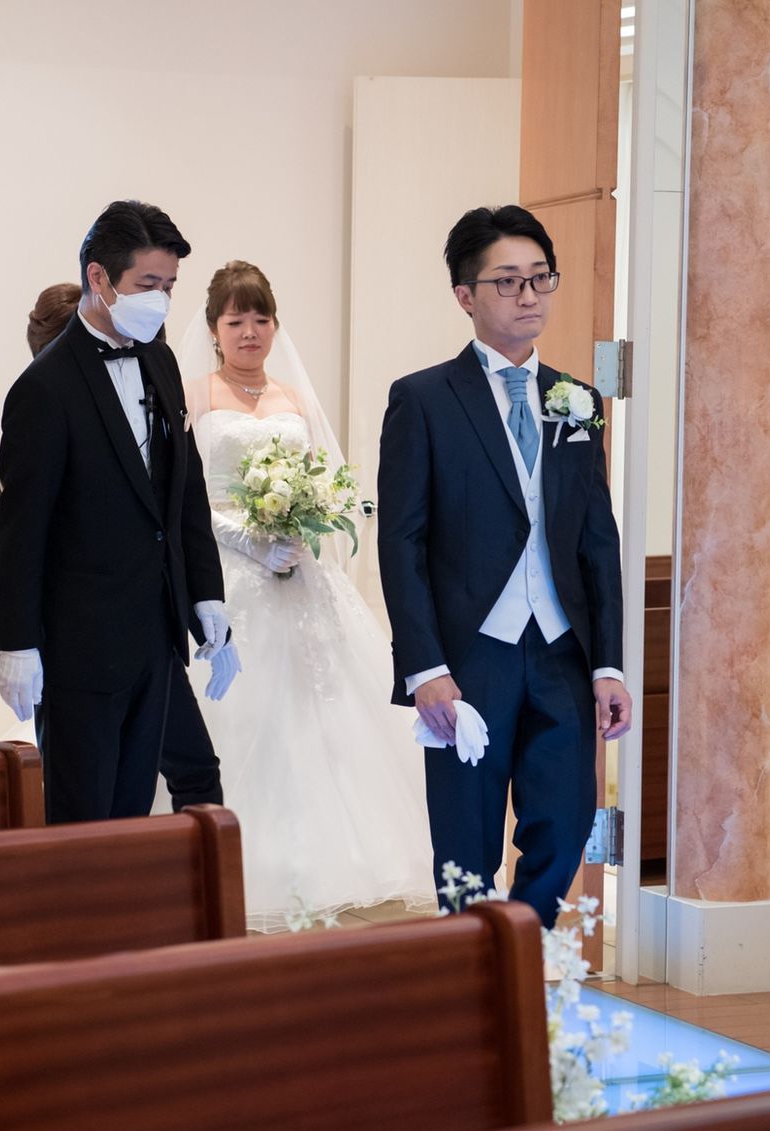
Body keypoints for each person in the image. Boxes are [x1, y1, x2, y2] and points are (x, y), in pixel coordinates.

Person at [377, 205, 633, 930]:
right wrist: (425, 668)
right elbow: (402, 542)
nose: (529, 296)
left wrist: (608, 665)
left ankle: (521, 951)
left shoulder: (577, 400)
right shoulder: (423, 399)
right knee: (466, 837)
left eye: (540, 279)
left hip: (560, 651)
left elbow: (597, 541)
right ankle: (471, 968)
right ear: (465, 295)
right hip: (470, 657)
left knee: (565, 818)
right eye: (508, 281)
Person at [179, 259, 434, 932]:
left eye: (261, 318)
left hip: (299, 571)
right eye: (236, 320)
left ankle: (342, 864)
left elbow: (331, 484)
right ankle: (238, 866)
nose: (251, 331)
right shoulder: (194, 396)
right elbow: (183, 499)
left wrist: (304, 527)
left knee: (324, 707)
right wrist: (247, 538)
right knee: (245, 716)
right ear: (213, 329)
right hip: (228, 576)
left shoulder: (293, 399)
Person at [0, 200, 237, 823]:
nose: (160, 301)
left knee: (134, 816)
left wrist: (206, 594)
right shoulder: (44, 388)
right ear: (99, 278)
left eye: (169, 287)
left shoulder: (160, 360)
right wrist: (15, 642)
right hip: (79, 647)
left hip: (155, 637)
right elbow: (21, 530)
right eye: (147, 284)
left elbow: (184, 490)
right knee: (82, 819)